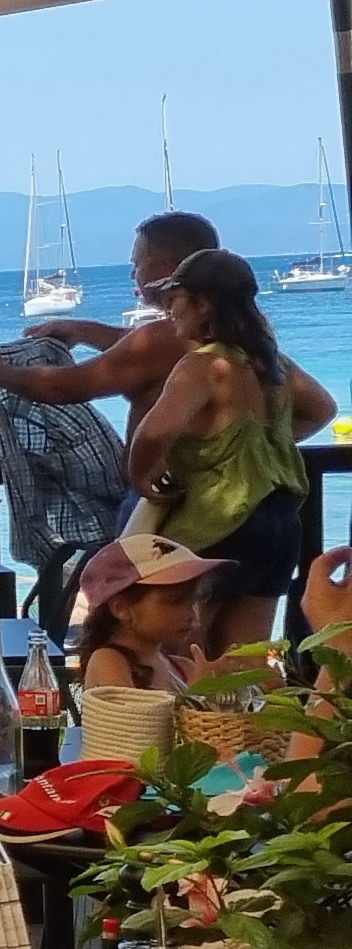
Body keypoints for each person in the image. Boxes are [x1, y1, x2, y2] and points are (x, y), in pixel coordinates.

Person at [129, 248, 332, 653]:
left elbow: (153, 433)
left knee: (182, 651)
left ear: (203, 304)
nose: (169, 311)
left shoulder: (202, 366)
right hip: (279, 523)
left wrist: (141, 475)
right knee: (245, 660)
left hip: (219, 526)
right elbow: (323, 408)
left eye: (175, 300)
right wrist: (267, 442)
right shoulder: (272, 365)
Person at [0, 210, 223, 441]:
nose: (133, 274)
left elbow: (67, 386)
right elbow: (138, 347)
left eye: (137, 263)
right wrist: (82, 331)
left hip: (167, 481)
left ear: (166, 266)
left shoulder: (167, 338)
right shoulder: (218, 327)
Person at [70, 534, 225, 695]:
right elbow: (131, 711)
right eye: (175, 601)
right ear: (122, 608)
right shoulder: (109, 661)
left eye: (195, 601)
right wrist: (197, 691)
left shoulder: (184, 668)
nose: (192, 614)